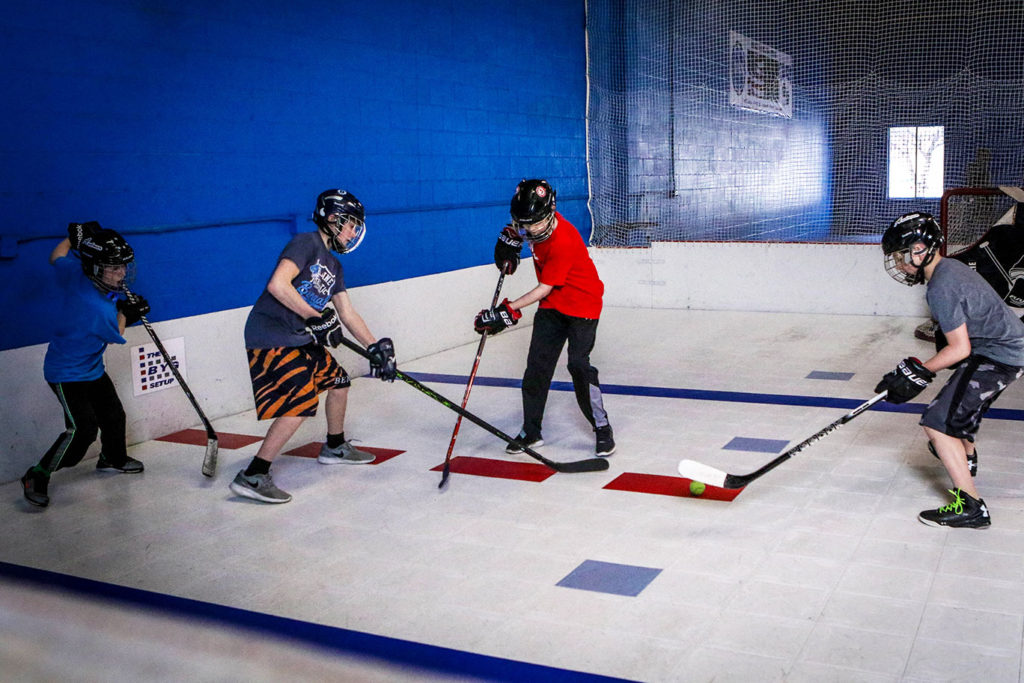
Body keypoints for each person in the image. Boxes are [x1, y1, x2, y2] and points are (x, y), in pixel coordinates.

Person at [231, 189, 397, 504]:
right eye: (349, 224)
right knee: (300, 401)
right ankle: (254, 473)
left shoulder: (334, 267)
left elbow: (347, 313)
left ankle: (334, 446)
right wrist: (315, 316)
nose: (352, 232)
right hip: (271, 334)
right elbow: (278, 284)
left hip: (299, 334)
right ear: (332, 218)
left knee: (338, 381)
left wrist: (374, 347)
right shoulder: (306, 243)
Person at [877, 212, 1024, 528]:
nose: (899, 265)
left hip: (999, 357)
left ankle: (972, 508)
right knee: (955, 409)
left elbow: (960, 349)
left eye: (901, 256)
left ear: (920, 250)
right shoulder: (949, 268)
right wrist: (917, 371)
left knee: (938, 423)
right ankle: (965, 459)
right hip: (998, 349)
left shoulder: (941, 286)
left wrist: (915, 372)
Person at [475, 179, 614, 457]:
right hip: (553, 306)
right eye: (524, 223)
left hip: (582, 305)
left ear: (551, 210)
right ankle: (531, 431)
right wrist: (507, 252)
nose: (530, 229)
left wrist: (508, 310)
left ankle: (602, 428)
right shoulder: (526, 225)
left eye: (535, 223)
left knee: (578, 366)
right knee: (536, 368)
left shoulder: (564, 238)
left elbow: (544, 287)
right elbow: (515, 242)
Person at [20, 222, 150, 509]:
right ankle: (37, 474)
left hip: (90, 369)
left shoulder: (75, 273)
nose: (121, 273)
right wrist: (127, 313)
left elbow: (57, 257)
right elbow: (116, 335)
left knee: (114, 416)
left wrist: (73, 239)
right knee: (81, 431)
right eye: (113, 268)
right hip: (66, 373)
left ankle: (112, 458)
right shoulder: (98, 308)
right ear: (94, 268)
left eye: (122, 267)